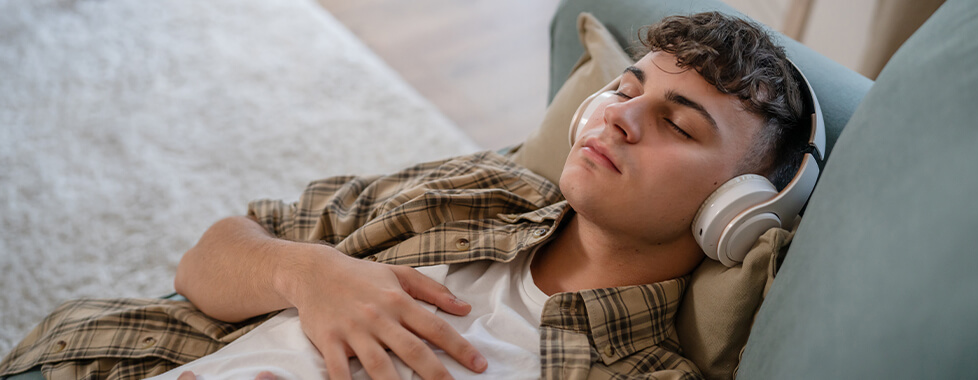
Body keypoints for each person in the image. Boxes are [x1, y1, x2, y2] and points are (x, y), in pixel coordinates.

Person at [0, 11, 808, 380]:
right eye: (627, 89)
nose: (620, 117)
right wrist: (306, 275)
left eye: (679, 123)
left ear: (736, 207)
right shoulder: (469, 193)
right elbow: (206, 261)